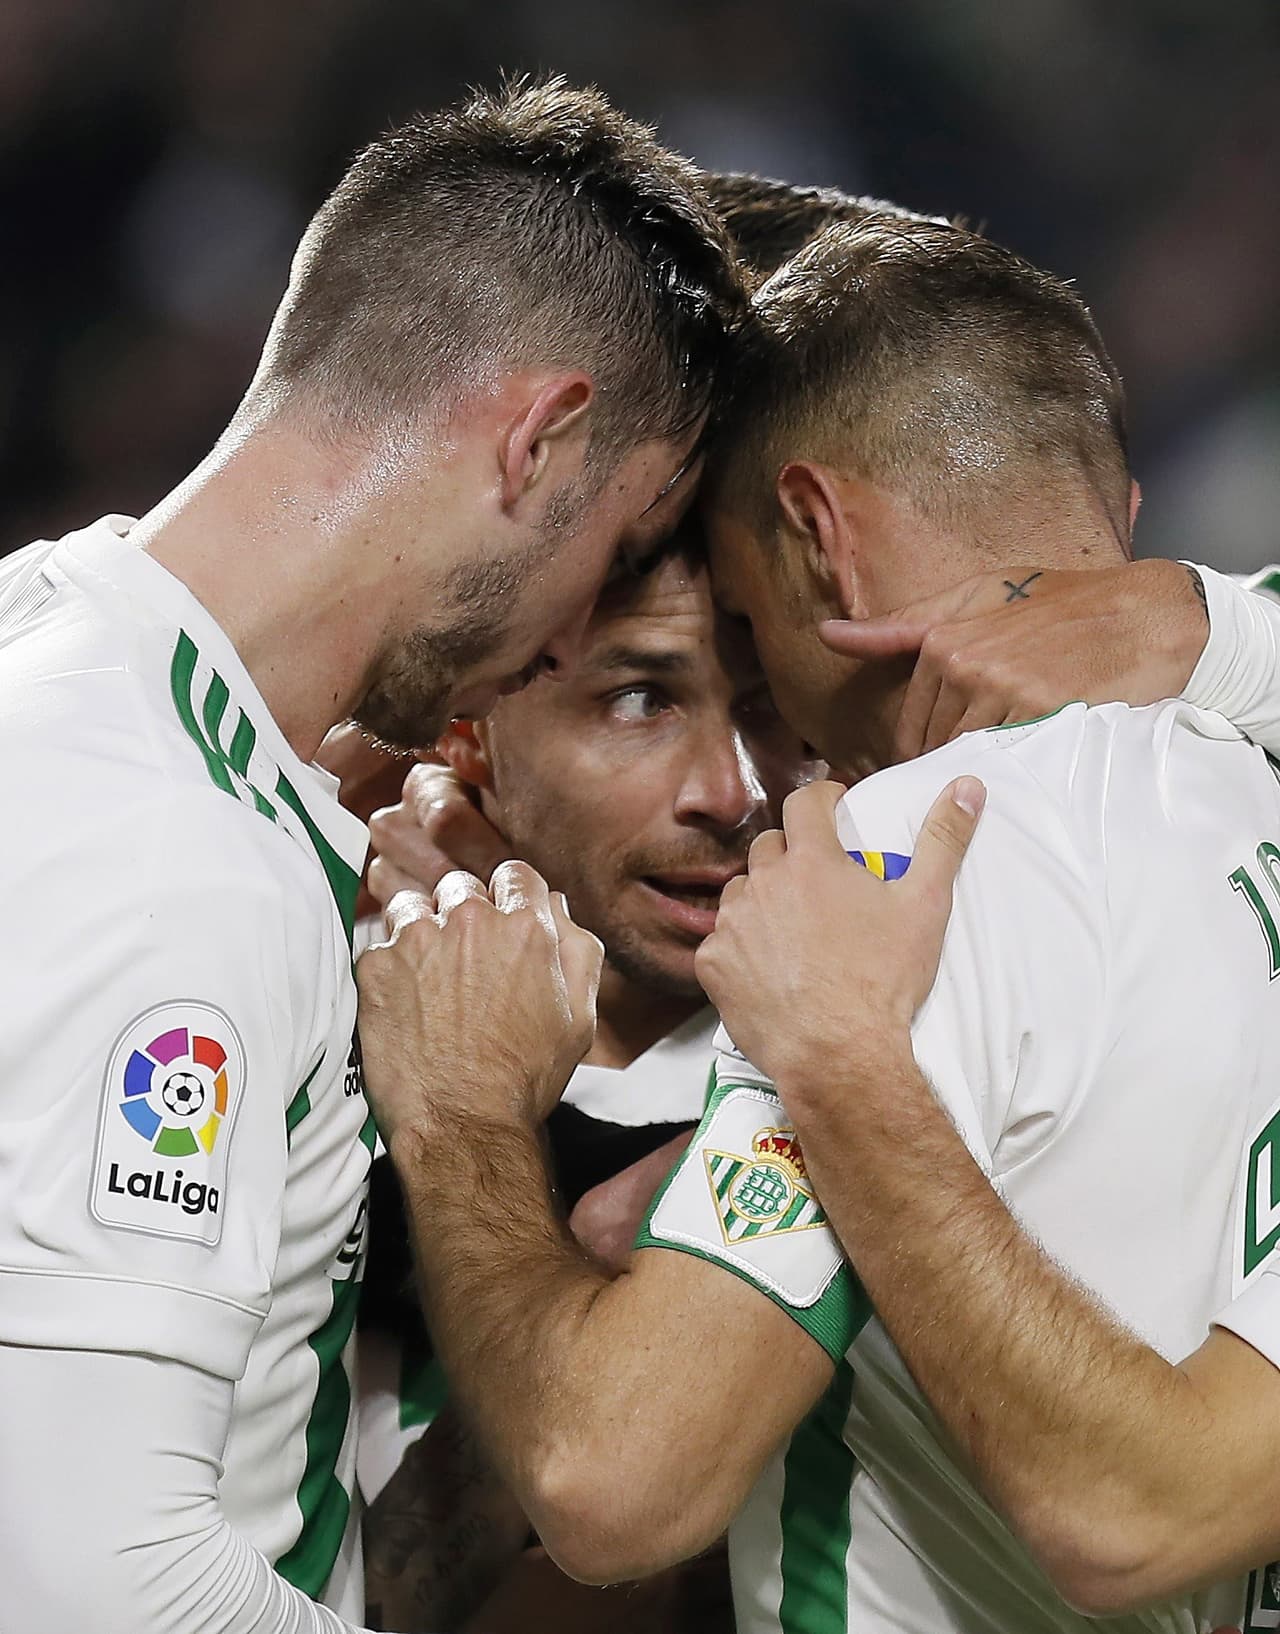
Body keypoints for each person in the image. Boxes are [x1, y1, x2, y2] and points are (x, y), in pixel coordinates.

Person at [355, 214, 1280, 1634]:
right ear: (1124, 514)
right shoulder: (1252, 778)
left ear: (817, 533)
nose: (752, 777)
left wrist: (465, 1111)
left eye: (741, 621)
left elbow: (615, 1477)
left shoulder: (902, 868)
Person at [0, 77, 744, 1634]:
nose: (561, 641)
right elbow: (90, 1580)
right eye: (608, 561)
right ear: (542, 444)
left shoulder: (60, 637)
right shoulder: (160, 844)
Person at [357, 539, 818, 1630]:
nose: (732, 790)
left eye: (772, 707)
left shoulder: (884, 1053)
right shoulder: (308, 990)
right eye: (640, 699)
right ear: (466, 728)